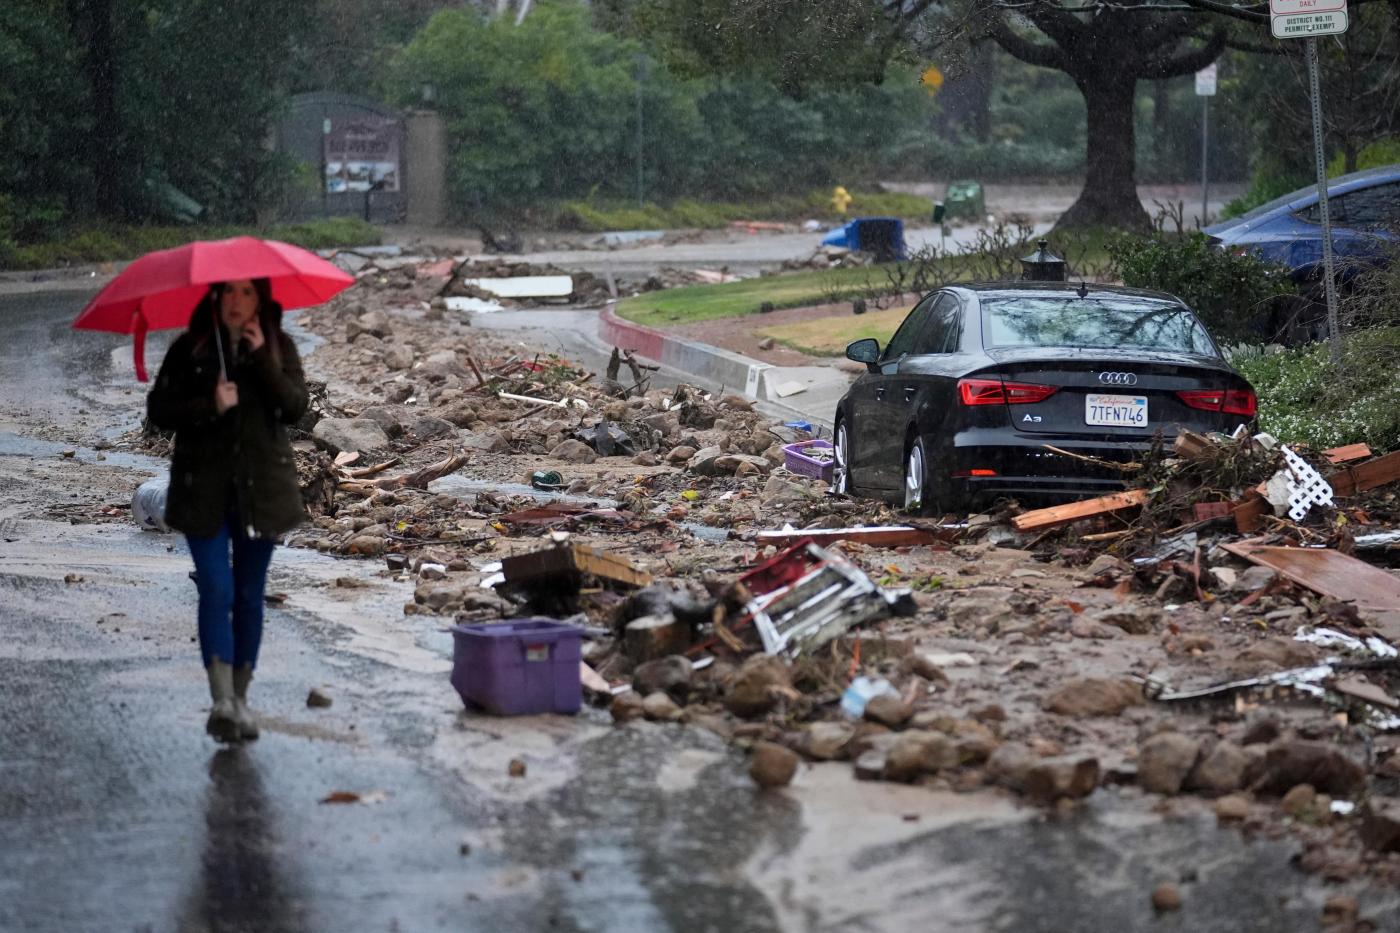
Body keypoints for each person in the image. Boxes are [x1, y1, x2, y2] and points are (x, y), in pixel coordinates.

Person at [147, 278, 309, 743]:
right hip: (204, 491)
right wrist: (208, 405)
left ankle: (240, 702)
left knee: (247, 594)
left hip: (263, 494)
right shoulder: (190, 348)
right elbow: (159, 410)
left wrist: (263, 363)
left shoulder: (280, 345)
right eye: (228, 293)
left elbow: (295, 407)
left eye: (246, 293)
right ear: (215, 297)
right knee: (216, 587)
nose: (236, 302)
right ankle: (220, 700)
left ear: (261, 300)